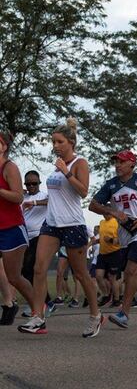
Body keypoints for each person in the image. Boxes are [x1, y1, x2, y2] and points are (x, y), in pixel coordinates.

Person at [18, 119, 103, 337]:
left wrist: (66, 172)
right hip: (52, 224)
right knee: (38, 269)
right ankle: (38, 317)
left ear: (70, 142)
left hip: (72, 224)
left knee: (81, 274)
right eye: (53, 141)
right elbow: (54, 197)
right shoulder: (56, 166)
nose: (55, 145)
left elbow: (83, 192)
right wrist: (35, 202)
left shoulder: (79, 163)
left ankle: (95, 315)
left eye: (59, 141)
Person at [89, 150, 137, 329]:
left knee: (130, 271)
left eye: (121, 162)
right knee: (135, 274)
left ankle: (124, 313)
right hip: (124, 233)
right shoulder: (111, 185)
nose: (117, 165)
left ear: (132, 164)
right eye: (116, 162)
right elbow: (93, 205)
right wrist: (112, 211)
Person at [0, 131, 36, 326]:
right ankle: (8, 305)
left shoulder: (9, 167)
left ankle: (38, 312)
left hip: (12, 228)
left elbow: (18, 197)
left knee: (14, 277)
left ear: (3, 146)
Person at [20, 171, 49, 314]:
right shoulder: (22, 197)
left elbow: (52, 202)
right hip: (24, 237)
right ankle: (43, 302)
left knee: (31, 269)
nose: (31, 186)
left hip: (40, 235)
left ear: (39, 183)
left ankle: (41, 304)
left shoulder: (44, 195)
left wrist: (35, 203)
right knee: (24, 271)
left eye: (34, 183)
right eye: (28, 184)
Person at [94, 214, 121, 307]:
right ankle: (106, 295)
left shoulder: (116, 222)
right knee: (98, 276)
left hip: (114, 253)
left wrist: (110, 240)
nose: (104, 214)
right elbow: (102, 237)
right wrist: (96, 241)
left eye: (106, 211)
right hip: (102, 253)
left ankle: (116, 300)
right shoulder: (102, 222)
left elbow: (121, 239)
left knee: (113, 278)